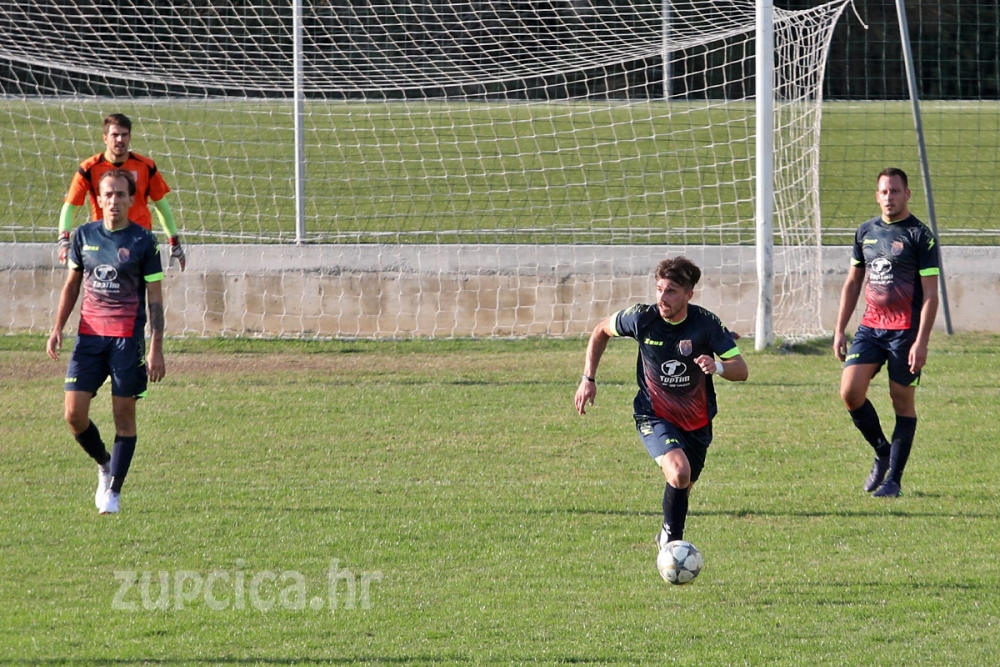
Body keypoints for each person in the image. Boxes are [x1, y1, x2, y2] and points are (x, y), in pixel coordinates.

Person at [574, 256, 748, 550]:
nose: (662, 298)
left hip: (698, 422)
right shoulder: (642, 318)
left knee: (683, 484)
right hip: (653, 414)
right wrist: (587, 378)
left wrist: (717, 367)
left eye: (671, 292)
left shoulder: (706, 324)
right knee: (679, 472)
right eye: (659, 290)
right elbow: (600, 330)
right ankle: (672, 546)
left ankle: (666, 535)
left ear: (688, 295)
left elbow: (741, 370)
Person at [47, 169, 166, 515]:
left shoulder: (144, 242)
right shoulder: (83, 236)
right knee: (73, 415)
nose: (114, 201)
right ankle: (103, 463)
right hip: (89, 340)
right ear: (97, 200)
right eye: (108, 195)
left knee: (124, 418)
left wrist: (156, 345)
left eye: (120, 195)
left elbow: (154, 299)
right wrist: (57, 327)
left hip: (127, 341)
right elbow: (72, 286)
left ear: (132, 200)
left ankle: (113, 492)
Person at [833, 167, 940, 498]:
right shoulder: (866, 232)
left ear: (907, 194)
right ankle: (881, 450)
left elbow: (932, 295)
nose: (889, 197)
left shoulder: (920, 236)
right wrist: (839, 330)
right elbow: (853, 283)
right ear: (877, 195)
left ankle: (894, 479)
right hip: (870, 328)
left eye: (895, 191)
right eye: (884, 192)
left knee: (901, 403)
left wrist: (921, 342)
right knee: (850, 393)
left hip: (905, 333)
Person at [58, 113, 185, 270]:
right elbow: (71, 205)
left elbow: (161, 204)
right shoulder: (89, 168)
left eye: (124, 135)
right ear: (105, 138)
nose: (120, 139)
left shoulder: (146, 166)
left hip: (139, 240)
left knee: (141, 290)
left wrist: (173, 239)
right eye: (115, 135)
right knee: (102, 288)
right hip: (103, 239)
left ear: (130, 137)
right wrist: (64, 239)